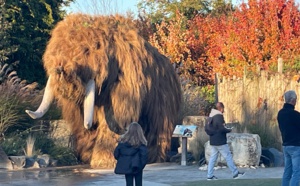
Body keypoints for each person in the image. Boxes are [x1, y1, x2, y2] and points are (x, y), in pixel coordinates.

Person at [205, 102, 244, 180]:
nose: (223, 111)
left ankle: (209, 175)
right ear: (221, 108)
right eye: (223, 109)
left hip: (213, 140)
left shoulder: (211, 116)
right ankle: (235, 173)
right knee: (228, 156)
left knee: (213, 158)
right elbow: (221, 128)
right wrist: (229, 130)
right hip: (220, 141)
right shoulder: (219, 116)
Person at [114, 122, 148, 186]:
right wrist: (141, 166)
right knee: (139, 184)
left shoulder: (122, 144)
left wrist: (124, 160)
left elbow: (116, 154)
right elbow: (144, 156)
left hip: (127, 165)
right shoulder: (141, 144)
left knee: (129, 183)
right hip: (138, 166)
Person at [277, 90, 300, 186]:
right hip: (296, 146)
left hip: (286, 145)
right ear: (293, 100)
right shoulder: (295, 115)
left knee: (287, 172)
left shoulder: (280, 113)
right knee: (297, 173)